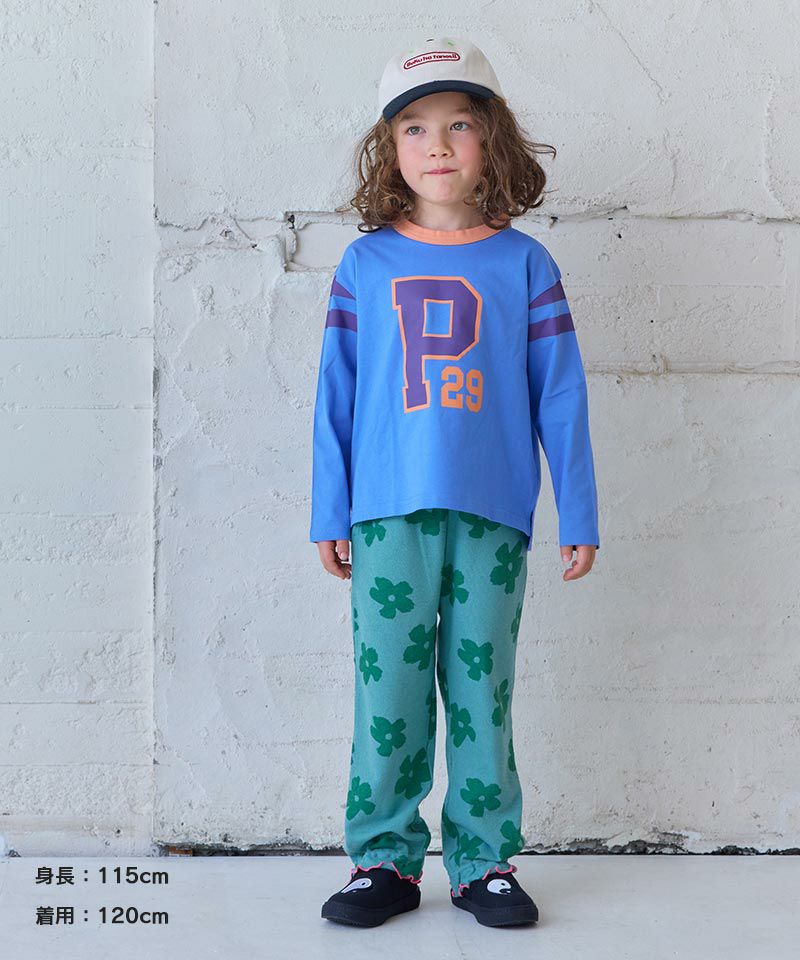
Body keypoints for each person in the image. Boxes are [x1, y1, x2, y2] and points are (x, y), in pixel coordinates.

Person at [309, 36, 600, 929]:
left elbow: (561, 395)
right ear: (390, 149)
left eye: (460, 125)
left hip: (493, 515)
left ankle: (484, 862)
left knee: (484, 693)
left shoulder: (524, 265)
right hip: (386, 515)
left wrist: (578, 512)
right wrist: (329, 508)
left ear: (492, 140)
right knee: (388, 694)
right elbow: (336, 395)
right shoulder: (364, 266)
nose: (438, 144)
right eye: (415, 128)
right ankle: (383, 861)